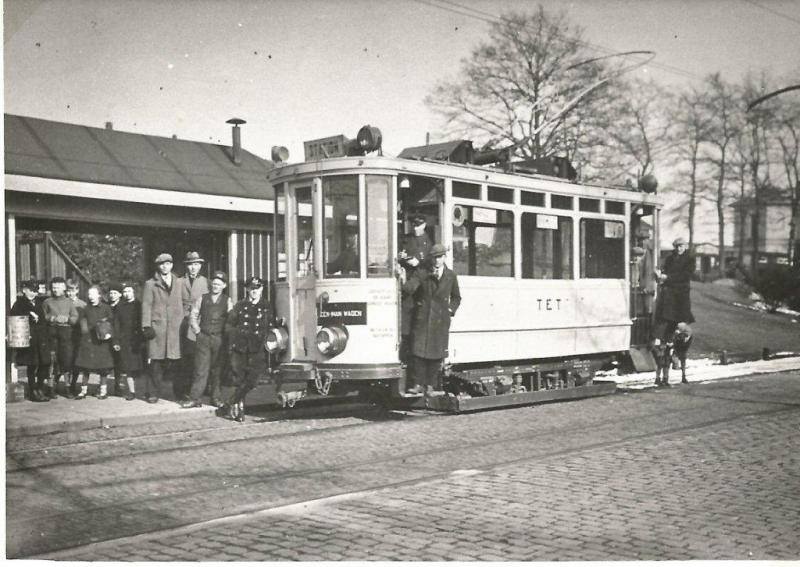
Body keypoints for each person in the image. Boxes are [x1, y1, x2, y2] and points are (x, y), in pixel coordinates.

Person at [403, 244, 461, 395]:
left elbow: (456, 297)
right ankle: (417, 384)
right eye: (434, 257)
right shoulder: (422, 272)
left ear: (444, 257)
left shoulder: (451, 275)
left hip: (440, 320)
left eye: (439, 257)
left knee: (436, 354)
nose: (437, 260)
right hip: (423, 318)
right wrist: (402, 280)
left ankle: (430, 385)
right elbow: (410, 288)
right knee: (418, 352)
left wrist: (450, 310)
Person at [219, 276, 272, 422]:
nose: (254, 292)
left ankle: (230, 403)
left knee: (252, 380)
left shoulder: (266, 306)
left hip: (258, 348)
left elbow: (270, 326)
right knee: (239, 379)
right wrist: (235, 339)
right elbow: (229, 325)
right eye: (251, 289)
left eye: (257, 288)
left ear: (262, 289)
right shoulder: (240, 305)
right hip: (241, 348)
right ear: (247, 290)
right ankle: (240, 410)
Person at [181, 270, 233, 408]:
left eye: (219, 284)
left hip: (219, 339)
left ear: (224, 286)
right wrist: (197, 331)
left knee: (217, 370)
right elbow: (193, 315)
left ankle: (216, 398)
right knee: (200, 369)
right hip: (203, 338)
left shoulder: (227, 300)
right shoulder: (202, 298)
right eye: (214, 283)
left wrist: (227, 335)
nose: (215, 286)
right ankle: (195, 398)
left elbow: (231, 319)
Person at [141, 253, 184, 404]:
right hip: (158, 328)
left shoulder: (179, 282)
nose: (165, 267)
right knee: (155, 363)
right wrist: (146, 325)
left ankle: (179, 393)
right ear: (158, 266)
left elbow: (184, 302)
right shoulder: (150, 284)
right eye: (162, 264)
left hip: (175, 329)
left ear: (172, 265)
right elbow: (146, 305)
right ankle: (152, 393)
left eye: (168, 263)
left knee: (176, 362)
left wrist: (183, 320)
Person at [398, 214, 432, 384]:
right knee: (405, 326)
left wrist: (417, 263)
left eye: (418, 225)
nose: (415, 227)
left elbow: (427, 266)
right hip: (406, 285)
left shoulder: (428, 242)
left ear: (424, 225)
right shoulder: (407, 239)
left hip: (418, 288)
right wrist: (402, 258)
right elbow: (400, 254)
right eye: (413, 224)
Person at [10, 279, 52, 402]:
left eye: (35, 291)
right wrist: (29, 314)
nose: (33, 293)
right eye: (31, 291)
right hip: (30, 339)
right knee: (32, 365)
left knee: (45, 363)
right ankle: (33, 391)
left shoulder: (39, 303)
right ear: (24, 290)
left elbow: (43, 321)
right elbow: (15, 320)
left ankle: (39, 387)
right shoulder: (19, 304)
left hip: (41, 339)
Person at [74, 285, 118, 400]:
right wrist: (84, 328)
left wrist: (107, 329)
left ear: (99, 295)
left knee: (103, 367)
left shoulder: (106, 308)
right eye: (89, 295)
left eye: (93, 294)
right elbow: (82, 322)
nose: (91, 297)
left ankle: (103, 391)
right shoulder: (86, 308)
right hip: (88, 341)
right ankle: (83, 391)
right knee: (85, 367)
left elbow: (112, 322)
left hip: (102, 342)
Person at [178, 251, 209, 401]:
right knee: (185, 358)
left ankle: (197, 390)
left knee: (198, 357)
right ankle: (182, 390)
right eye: (190, 265)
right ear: (187, 266)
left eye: (196, 264)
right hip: (182, 323)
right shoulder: (179, 282)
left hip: (198, 323)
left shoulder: (205, 282)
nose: (193, 268)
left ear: (200, 266)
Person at [42, 276, 79, 398]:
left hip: (66, 335)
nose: (55, 289)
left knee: (66, 361)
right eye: (53, 287)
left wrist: (67, 319)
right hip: (51, 335)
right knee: (52, 362)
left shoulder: (69, 302)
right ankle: (51, 388)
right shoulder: (47, 302)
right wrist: (51, 318)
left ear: (64, 288)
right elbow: (43, 317)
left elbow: (75, 317)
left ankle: (68, 388)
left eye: (58, 287)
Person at [654, 237, 695, 339]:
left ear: (685, 246)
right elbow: (666, 270)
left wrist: (668, 277)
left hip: (681, 293)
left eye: (681, 246)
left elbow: (686, 275)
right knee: (666, 318)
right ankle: (666, 342)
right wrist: (661, 276)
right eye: (676, 247)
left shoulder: (690, 259)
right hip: (669, 292)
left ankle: (681, 343)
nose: (678, 249)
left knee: (680, 320)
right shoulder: (670, 258)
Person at [110, 281, 142, 400]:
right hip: (124, 339)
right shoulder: (120, 306)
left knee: (138, 367)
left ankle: (145, 391)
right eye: (124, 291)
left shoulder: (139, 305)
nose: (126, 294)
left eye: (129, 291)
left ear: (133, 292)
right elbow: (116, 325)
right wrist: (116, 341)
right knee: (127, 367)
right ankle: (132, 391)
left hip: (136, 339)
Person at [65, 279, 87, 395]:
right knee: (66, 361)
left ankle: (73, 383)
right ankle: (67, 385)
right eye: (68, 291)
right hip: (65, 334)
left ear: (77, 290)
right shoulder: (63, 302)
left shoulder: (82, 304)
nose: (70, 293)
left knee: (76, 361)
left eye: (72, 291)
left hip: (77, 336)